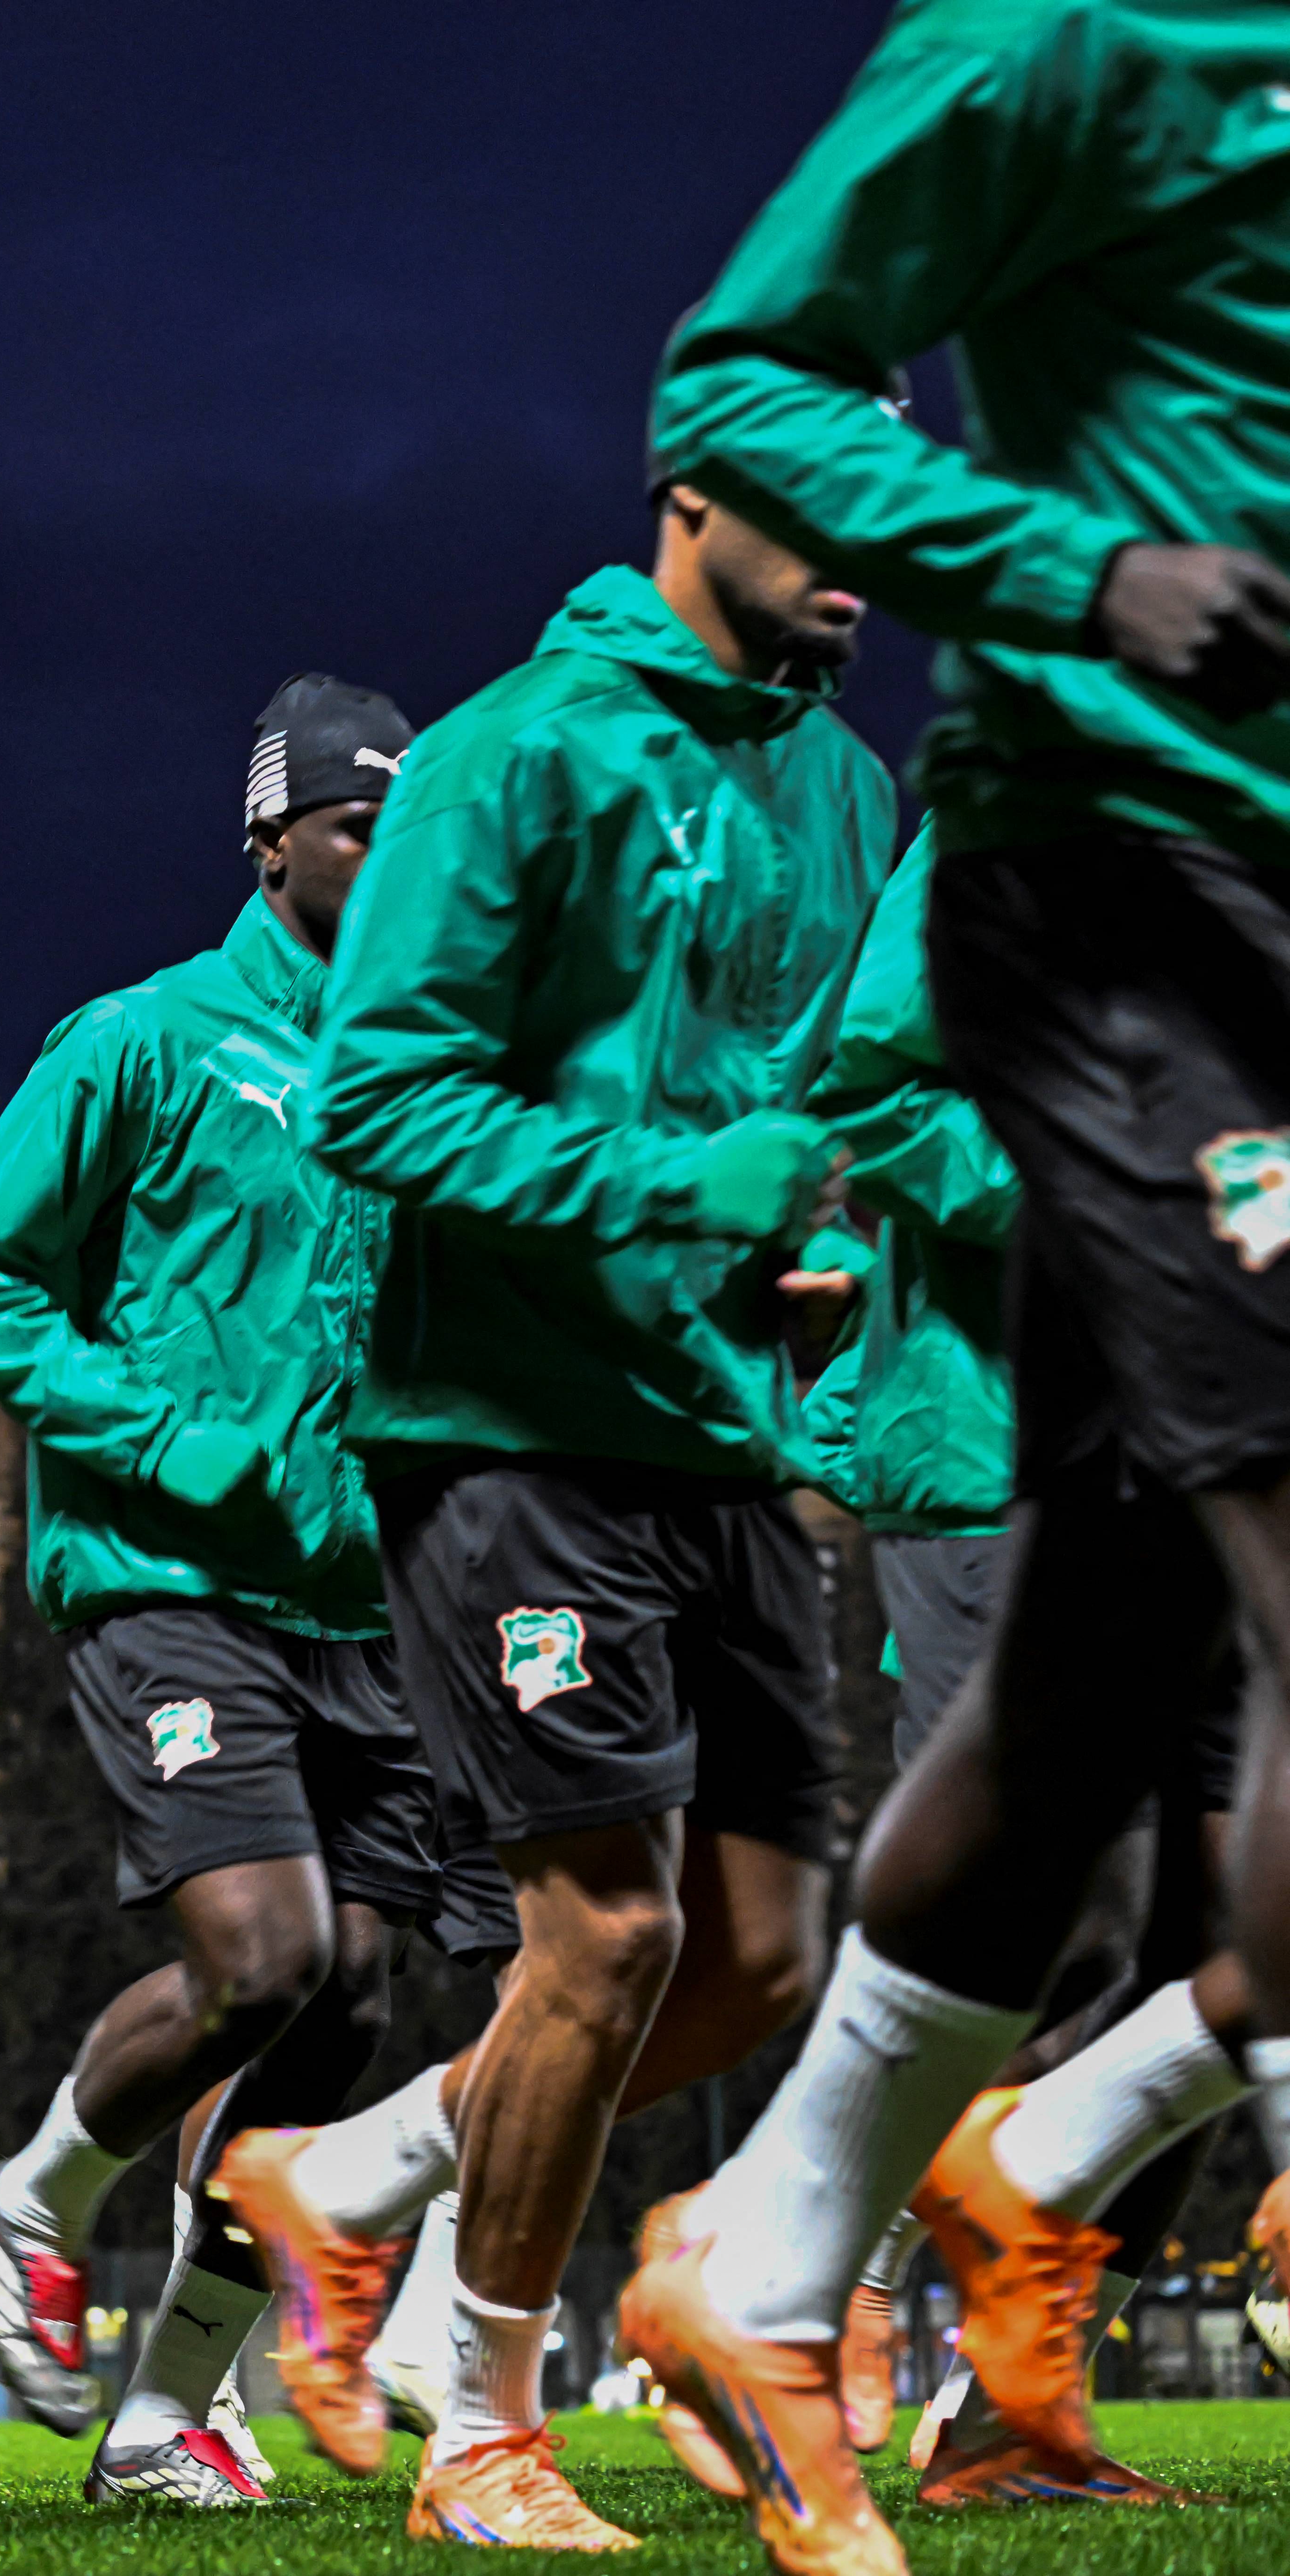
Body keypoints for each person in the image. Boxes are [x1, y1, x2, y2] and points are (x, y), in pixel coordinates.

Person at [615, 17, 1290, 2552]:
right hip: (1135, 893)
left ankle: (796, 2250)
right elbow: (742, 377)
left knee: (1099, 1689)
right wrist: (1081, 575)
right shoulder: (1077, 36)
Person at [221, 490, 894, 2549]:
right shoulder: (510, 751)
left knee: (762, 1953)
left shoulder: (846, 784)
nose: (870, 534)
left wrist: (814, 1239)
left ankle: (346, 2178)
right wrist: (673, 1189)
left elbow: (816, 1101)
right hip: (505, 1432)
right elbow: (378, 1097)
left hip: (717, 1431)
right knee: (606, 1928)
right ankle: (486, 2434)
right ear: (698, 497)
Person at [0, 675, 490, 2509]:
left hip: (365, 1612)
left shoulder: (428, 1078)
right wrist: (165, 1437)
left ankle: (166, 2412)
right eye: (358, 828)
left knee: (347, 2005)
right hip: (168, 1577)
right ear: (271, 843)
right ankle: (36, 2194)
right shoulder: (141, 1039)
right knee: (266, 1954)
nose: (394, 862)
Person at [794, 831, 1249, 2510]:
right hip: (997, 1447)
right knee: (1063, 1927)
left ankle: (1010, 2396)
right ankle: (809, 2254)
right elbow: (873, 1090)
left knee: (1233, 1941)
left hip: (1215, 1460)